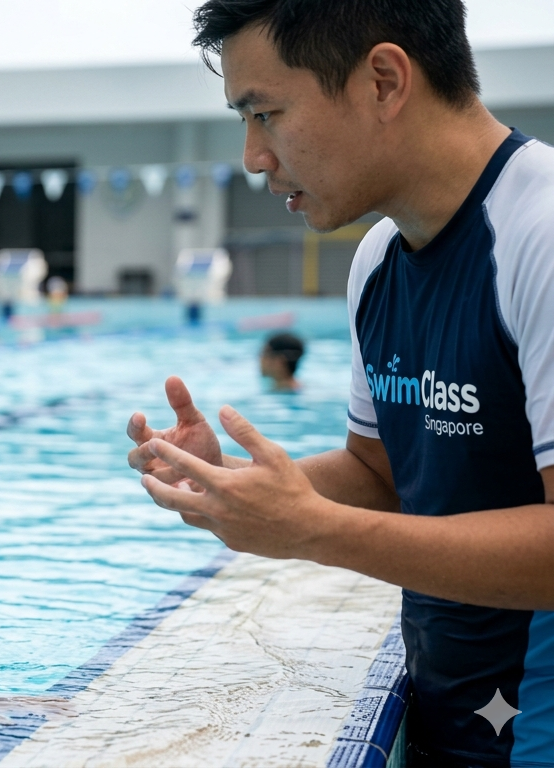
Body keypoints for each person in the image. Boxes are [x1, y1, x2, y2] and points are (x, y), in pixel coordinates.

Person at [127, 2, 554, 764]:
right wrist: (231, 483)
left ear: (384, 80)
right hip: (455, 722)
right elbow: (382, 474)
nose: (254, 155)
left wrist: (312, 531)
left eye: (266, 112)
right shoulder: (380, 259)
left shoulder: (541, 235)